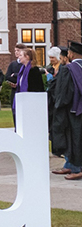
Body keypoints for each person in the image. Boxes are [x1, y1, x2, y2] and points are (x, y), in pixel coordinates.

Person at [51, 41, 82, 181]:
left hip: (73, 111)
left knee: (73, 139)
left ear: (70, 54)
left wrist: (58, 106)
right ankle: (70, 164)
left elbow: (64, 93)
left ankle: (76, 168)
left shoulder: (69, 69)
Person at [5, 44, 45, 119]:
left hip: (31, 101)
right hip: (23, 99)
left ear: (27, 57)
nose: (19, 57)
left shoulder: (33, 70)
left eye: (21, 55)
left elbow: (36, 87)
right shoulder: (23, 70)